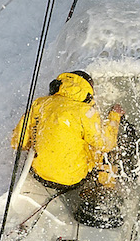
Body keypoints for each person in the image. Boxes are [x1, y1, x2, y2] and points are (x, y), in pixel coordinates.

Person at [11, 70, 123, 225]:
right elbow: (106, 143)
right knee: (107, 151)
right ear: (87, 89)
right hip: (72, 180)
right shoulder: (86, 112)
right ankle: (104, 192)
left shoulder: (40, 103)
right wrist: (114, 116)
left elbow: (18, 142)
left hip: (39, 174)